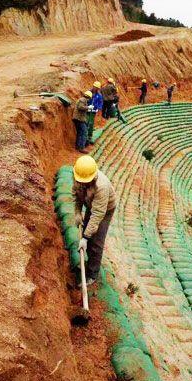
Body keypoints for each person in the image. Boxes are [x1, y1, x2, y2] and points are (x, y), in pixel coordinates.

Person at [72, 155, 116, 286]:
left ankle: (92, 274)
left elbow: (97, 214)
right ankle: (86, 262)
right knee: (87, 231)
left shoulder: (101, 186)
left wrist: (85, 238)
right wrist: (78, 212)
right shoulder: (77, 175)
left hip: (105, 209)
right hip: (91, 204)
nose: (82, 183)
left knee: (96, 241)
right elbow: (76, 195)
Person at [87, 81, 103, 145]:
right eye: (95, 87)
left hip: (93, 111)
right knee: (86, 122)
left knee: (91, 123)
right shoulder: (88, 92)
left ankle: (89, 135)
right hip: (87, 110)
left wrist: (98, 109)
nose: (95, 88)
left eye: (97, 88)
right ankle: (85, 134)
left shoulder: (99, 95)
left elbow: (100, 103)